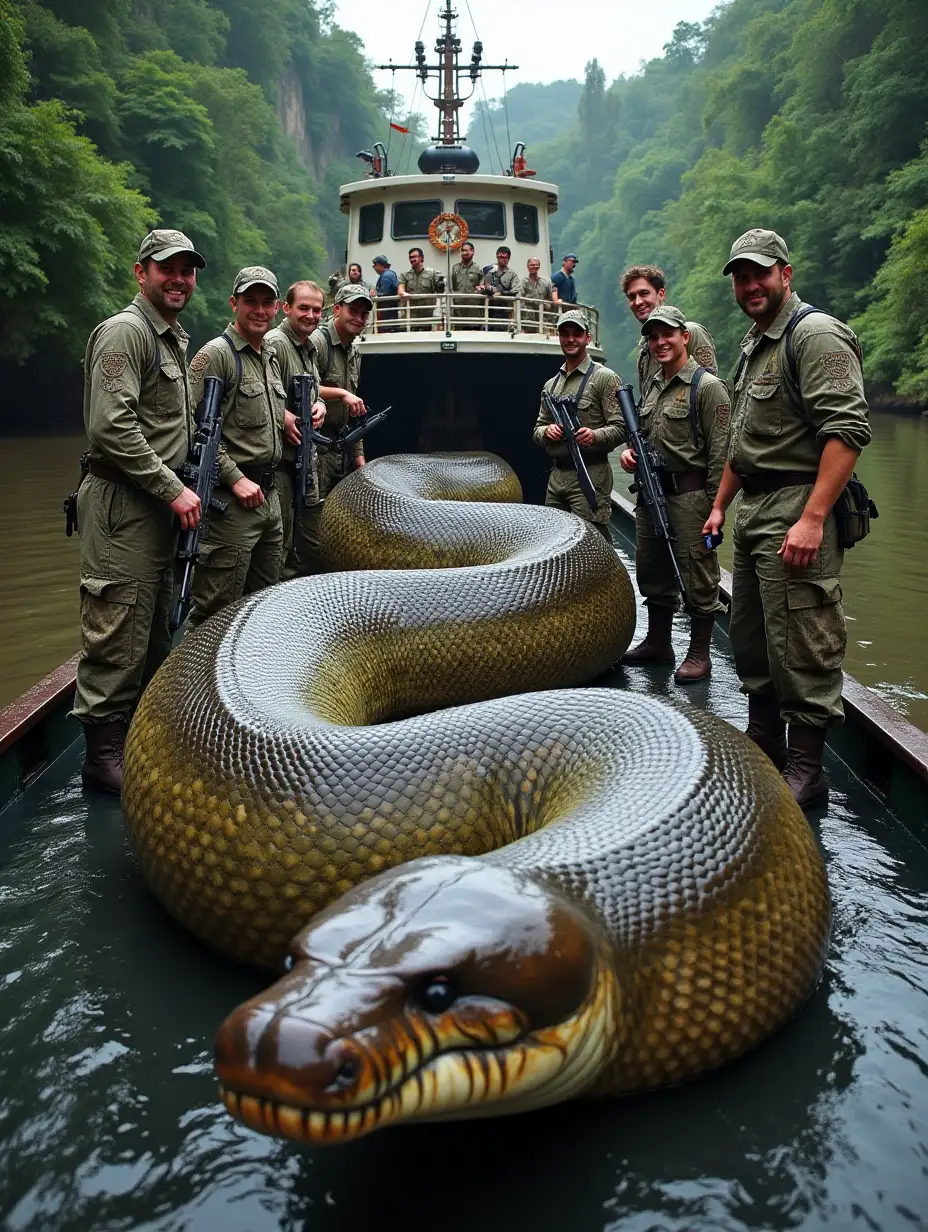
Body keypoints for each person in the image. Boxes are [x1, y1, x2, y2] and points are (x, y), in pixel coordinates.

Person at [702, 228, 872, 808]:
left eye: (760, 274)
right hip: (753, 508)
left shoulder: (814, 335)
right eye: (741, 277)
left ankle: (807, 768)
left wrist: (813, 518)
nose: (750, 285)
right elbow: (742, 445)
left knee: (802, 637)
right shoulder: (755, 344)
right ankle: (765, 741)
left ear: (785, 274)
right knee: (752, 636)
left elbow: (847, 433)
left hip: (797, 506)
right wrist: (721, 505)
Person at [73, 228, 206, 794]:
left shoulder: (172, 337)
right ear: (141, 272)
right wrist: (171, 489)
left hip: (156, 503)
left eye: (187, 270)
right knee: (118, 626)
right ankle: (102, 760)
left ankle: (135, 740)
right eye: (166, 268)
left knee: (153, 628)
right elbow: (112, 427)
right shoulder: (127, 334)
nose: (177, 279)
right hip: (124, 502)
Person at [619, 305, 729, 683]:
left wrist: (717, 508)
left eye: (667, 334)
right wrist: (631, 454)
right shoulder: (652, 386)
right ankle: (658, 642)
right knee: (652, 570)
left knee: (698, 575)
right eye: (653, 336)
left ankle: (700, 653)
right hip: (652, 494)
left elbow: (721, 454)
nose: (660, 342)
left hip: (691, 497)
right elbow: (647, 437)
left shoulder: (707, 387)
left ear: (685, 337)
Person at [185, 266, 286, 627]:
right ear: (234, 304)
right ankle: (198, 682)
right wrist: (234, 477)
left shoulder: (269, 356)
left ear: (276, 308)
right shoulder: (215, 355)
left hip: (270, 501)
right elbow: (190, 427)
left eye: (266, 302)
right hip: (231, 507)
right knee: (215, 613)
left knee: (264, 609)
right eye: (250, 301)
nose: (259, 310)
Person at [298, 284, 371, 570]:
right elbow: (303, 384)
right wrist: (340, 394)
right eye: (353, 311)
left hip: (340, 446)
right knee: (313, 523)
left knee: (336, 521)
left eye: (364, 314)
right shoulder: (317, 342)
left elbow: (354, 414)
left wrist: (360, 460)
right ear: (337, 309)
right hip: (316, 445)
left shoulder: (354, 352)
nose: (359, 318)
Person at [532, 309, 622, 540]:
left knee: (592, 543)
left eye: (577, 334)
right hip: (557, 476)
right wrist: (547, 431)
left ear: (587, 338)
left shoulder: (605, 378)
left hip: (591, 474)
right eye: (565, 334)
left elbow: (621, 428)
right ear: (559, 337)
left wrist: (594, 436)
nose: (570, 339)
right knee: (550, 543)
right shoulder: (550, 385)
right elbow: (537, 429)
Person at [265, 281, 328, 578]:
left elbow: (313, 390)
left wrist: (320, 405)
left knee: (306, 542)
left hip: (305, 458)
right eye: (303, 308)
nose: (311, 315)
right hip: (281, 465)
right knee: (281, 544)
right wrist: (283, 416)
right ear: (286, 308)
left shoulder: (310, 346)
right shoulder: (276, 343)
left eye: (317, 310)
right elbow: (258, 391)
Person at [620, 264, 717, 401]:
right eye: (632, 297)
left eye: (644, 293)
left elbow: (711, 392)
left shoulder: (691, 332)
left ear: (661, 294)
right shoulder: (644, 345)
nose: (638, 302)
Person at [399, 247, 442, 331]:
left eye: (414, 257)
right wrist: (403, 293)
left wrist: (441, 284)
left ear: (421, 257)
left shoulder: (432, 273)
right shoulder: (405, 275)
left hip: (427, 316)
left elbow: (441, 289)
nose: (412, 259)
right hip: (411, 316)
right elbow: (400, 289)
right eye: (410, 257)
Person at [480, 246, 521, 331]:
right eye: (500, 257)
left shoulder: (512, 274)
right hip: (489, 310)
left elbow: (516, 291)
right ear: (497, 256)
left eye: (505, 257)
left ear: (508, 258)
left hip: (504, 311)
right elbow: (481, 286)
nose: (502, 259)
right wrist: (484, 290)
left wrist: (502, 293)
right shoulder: (489, 272)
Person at [521, 256, 558, 332]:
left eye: (536, 264)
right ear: (528, 266)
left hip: (544, 318)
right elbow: (520, 299)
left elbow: (552, 300)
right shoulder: (523, 283)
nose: (534, 266)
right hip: (528, 319)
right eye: (531, 265)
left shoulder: (546, 283)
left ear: (539, 266)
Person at [451, 240, 483, 327]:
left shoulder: (478, 269)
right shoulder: (455, 268)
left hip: (473, 310)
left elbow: (481, 286)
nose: (464, 253)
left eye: (466, 250)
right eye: (462, 251)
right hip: (459, 310)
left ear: (472, 252)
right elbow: (453, 287)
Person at [371, 255, 399, 332]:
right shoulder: (387, 274)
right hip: (388, 312)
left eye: (375, 265)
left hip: (388, 312)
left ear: (380, 265)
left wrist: (375, 294)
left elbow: (383, 293)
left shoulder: (387, 275)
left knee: (387, 330)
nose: (374, 268)